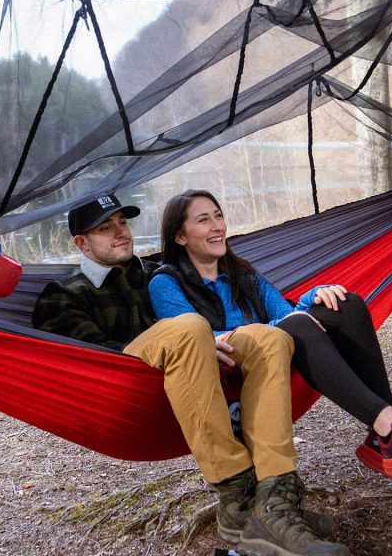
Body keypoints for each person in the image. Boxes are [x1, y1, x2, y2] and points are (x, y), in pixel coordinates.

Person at [32, 194, 350, 556]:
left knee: (269, 338)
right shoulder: (63, 295)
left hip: (192, 367)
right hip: (125, 377)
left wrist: (205, 341)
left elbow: (219, 296)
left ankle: (273, 499)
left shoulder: (157, 274)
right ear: (80, 242)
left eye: (123, 222)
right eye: (106, 228)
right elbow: (85, 361)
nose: (121, 233)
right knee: (188, 327)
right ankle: (236, 491)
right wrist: (189, 340)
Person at [148, 189, 392, 500]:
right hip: (229, 368)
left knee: (344, 303)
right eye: (203, 219)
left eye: (218, 215)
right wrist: (283, 324)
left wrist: (313, 297)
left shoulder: (243, 274)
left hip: (278, 349)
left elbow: (286, 315)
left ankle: (387, 435)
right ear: (180, 236)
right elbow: (191, 337)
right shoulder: (165, 283)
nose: (217, 226)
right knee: (293, 325)